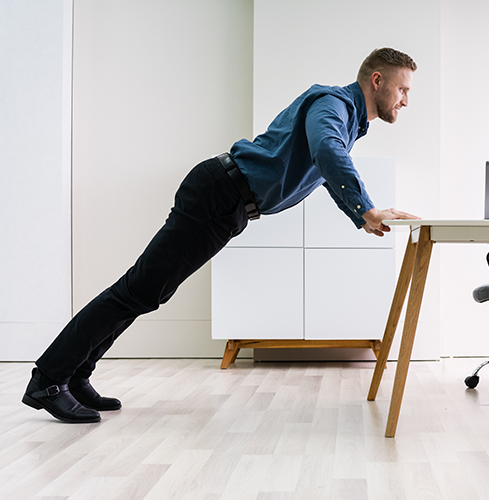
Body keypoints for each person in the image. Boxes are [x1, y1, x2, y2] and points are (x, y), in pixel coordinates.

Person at [22, 47, 420, 424]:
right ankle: (48, 380)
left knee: (146, 291)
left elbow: (326, 170)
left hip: (227, 200)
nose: (405, 100)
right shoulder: (334, 104)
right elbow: (328, 152)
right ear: (378, 80)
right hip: (220, 192)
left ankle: (74, 375)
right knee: (139, 289)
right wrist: (365, 208)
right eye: (403, 89)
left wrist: (360, 215)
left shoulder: (347, 118)